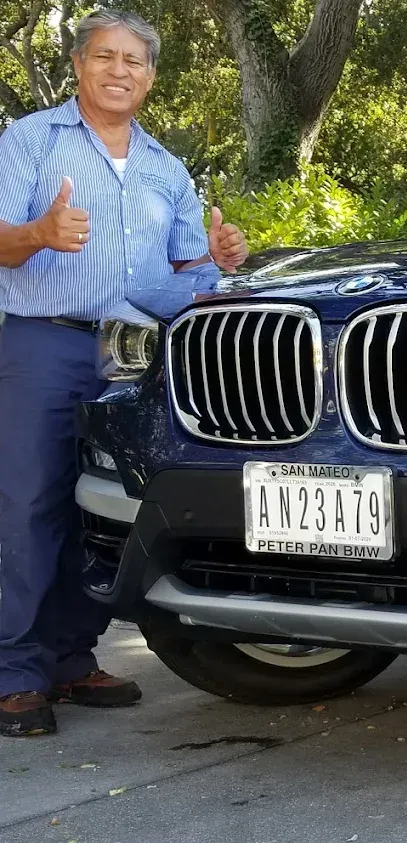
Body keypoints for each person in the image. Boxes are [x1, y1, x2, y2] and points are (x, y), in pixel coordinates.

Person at [0, 9, 248, 737]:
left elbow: (182, 275)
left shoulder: (164, 168)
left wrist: (219, 261)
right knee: (28, 507)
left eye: (134, 61)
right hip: (44, 344)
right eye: (105, 56)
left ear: (150, 77)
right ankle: (14, 671)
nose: (119, 70)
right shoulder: (30, 141)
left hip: (132, 351)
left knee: (101, 505)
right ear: (78, 65)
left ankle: (73, 659)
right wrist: (40, 233)